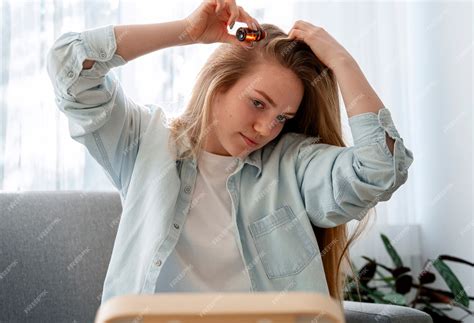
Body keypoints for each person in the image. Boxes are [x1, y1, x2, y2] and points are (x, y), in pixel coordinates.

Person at [46, 0, 413, 307]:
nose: (266, 128)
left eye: (282, 118)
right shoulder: (145, 143)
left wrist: (342, 62)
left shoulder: (294, 163)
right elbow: (71, 69)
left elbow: (379, 170)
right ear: (218, 85)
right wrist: (186, 32)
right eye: (257, 103)